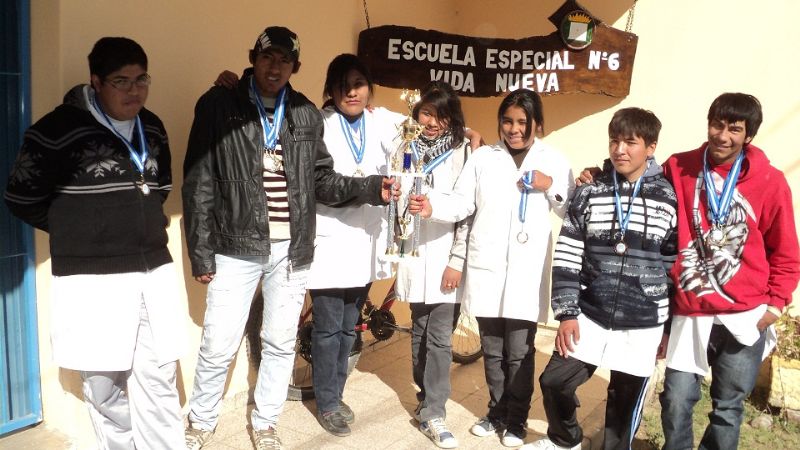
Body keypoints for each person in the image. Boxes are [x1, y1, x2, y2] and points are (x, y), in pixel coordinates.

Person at [181, 27, 395, 450]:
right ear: (252, 57)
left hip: (292, 250)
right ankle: (201, 421)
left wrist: (372, 187)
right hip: (236, 245)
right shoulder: (218, 105)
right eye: (267, 57)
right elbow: (198, 180)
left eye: (284, 60)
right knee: (219, 340)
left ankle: (265, 422)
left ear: (295, 66)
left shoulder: (303, 113)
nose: (274, 66)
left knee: (279, 341)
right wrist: (201, 252)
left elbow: (320, 180)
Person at [4, 37, 184, 449]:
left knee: (158, 379)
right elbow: (21, 197)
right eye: (121, 81)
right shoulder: (54, 131)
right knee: (104, 387)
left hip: (152, 273)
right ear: (96, 81)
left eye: (142, 80)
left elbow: (161, 187)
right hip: (91, 280)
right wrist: (80, 227)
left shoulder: (152, 127)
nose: (133, 91)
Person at [411, 89, 575, 448]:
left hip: (526, 271)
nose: (513, 129)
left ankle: (515, 420)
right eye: (507, 121)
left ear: (537, 124)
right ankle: (496, 412)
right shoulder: (483, 158)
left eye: (521, 122)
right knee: (493, 349)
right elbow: (461, 202)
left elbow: (570, 210)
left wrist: (551, 187)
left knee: (520, 350)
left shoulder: (554, 160)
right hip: (487, 268)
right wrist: (430, 205)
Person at [524, 108, 677, 450]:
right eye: (614, 141)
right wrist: (566, 313)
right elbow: (567, 254)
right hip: (590, 313)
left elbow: (672, 262)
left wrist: (666, 326)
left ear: (650, 147)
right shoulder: (590, 191)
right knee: (554, 381)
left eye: (630, 142)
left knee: (622, 411)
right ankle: (566, 439)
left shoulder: (667, 197)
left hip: (642, 323)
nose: (620, 149)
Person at [656, 93, 800, 449]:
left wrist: (775, 304)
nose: (722, 136)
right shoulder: (680, 166)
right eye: (717, 125)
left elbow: (785, 250)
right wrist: (601, 173)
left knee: (728, 407)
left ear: (748, 135)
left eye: (734, 129)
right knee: (675, 399)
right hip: (692, 309)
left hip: (745, 314)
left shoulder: (770, 181)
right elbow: (644, 187)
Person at [394, 80, 474, 449]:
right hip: (415, 255)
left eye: (439, 115)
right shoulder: (406, 144)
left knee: (440, 338)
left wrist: (432, 208)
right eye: (425, 112)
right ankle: (426, 399)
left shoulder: (463, 151)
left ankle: (435, 412)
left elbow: (467, 206)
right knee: (420, 333)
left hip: (446, 258)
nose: (431, 122)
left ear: (451, 118)